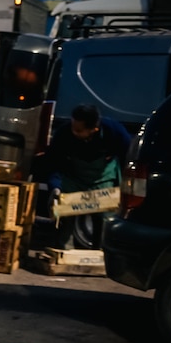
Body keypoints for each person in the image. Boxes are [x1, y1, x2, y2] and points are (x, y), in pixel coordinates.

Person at [43, 103, 131, 249]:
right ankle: (63, 252)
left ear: (94, 129)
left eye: (78, 130)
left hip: (103, 178)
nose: (73, 131)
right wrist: (55, 187)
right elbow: (52, 163)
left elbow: (128, 159)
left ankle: (99, 254)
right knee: (65, 217)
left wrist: (125, 187)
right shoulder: (63, 133)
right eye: (72, 127)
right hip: (73, 178)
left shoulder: (114, 132)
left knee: (105, 221)